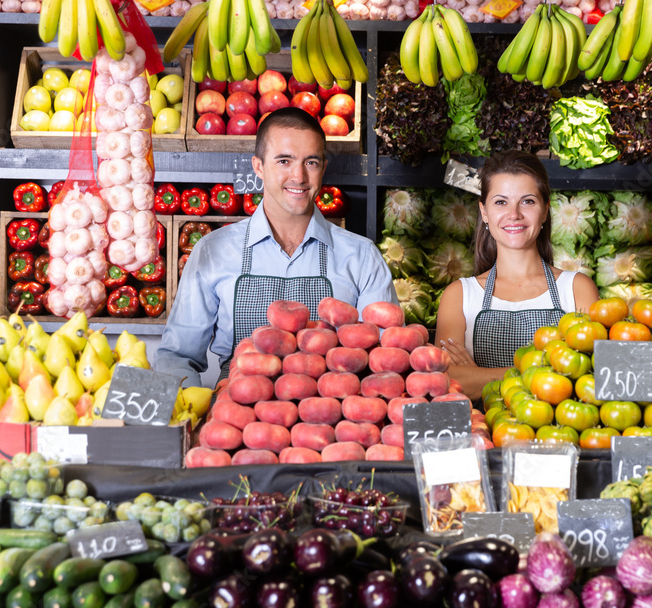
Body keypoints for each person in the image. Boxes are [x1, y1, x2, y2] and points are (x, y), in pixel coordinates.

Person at [155, 108, 397, 387]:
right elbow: (176, 357)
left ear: (323, 168)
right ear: (258, 167)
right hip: (238, 415)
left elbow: (385, 357)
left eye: (311, 162)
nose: (299, 176)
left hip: (328, 416)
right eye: (284, 161)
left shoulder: (361, 256)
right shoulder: (213, 251)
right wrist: (191, 415)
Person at [435, 150, 599, 401]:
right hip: (480, 437)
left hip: (557, 437)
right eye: (501, 202)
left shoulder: (577, 288)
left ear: (545, 211)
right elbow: (446, 380)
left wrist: (478, 375)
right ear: (484, 212)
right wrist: (549, 373)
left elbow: (592, 377)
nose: (514, 214)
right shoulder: (459, 295)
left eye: (528, 201)